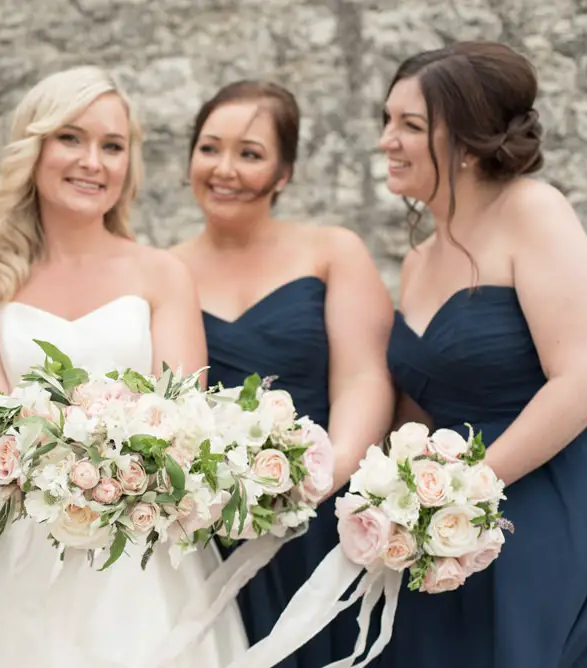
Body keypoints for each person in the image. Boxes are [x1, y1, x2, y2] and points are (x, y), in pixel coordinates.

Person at [0, 65, 247, 668]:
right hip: (11, 550)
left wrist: (120, 468)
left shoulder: (161, 275)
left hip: (142, 548)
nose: (93, 161)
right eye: (71, 138)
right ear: (33, 149)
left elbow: (184, 413)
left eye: (112, 146)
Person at [378, 40, 587, 667]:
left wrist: (470, 488)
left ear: (469, 142)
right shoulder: (419, 259)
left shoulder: (533, 209)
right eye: (387, 121)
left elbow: (585, 377)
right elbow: (419, 404)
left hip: (554, 496)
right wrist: (396, 500)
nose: (387, 140)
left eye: (411, 126)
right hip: (450, 524)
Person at [171, 80, 395, 667]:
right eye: (209, 148)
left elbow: (363, 378)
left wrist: (320, 479)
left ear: (284, 171)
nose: (224, 169)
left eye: (249, 153)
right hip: (214, 521)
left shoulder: (332, 252)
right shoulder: (163, 271)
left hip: (325, 514)